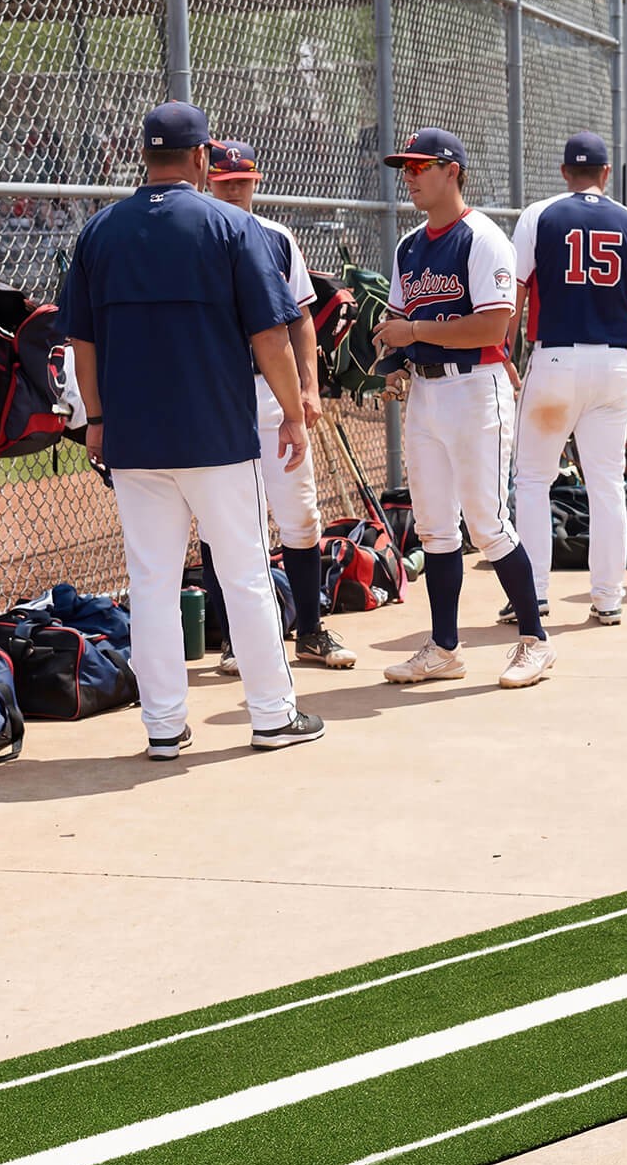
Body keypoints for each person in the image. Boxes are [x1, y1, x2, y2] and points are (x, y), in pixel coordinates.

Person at [59, 101, 322, 758]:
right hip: (217, 437)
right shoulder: (232, 225)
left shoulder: (100, 231)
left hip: (134, 440)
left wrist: (96, 419)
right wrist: (293, 414)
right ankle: (272, 716)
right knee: (244, 573)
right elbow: (271, 335)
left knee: (151, 583)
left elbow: (82, 342)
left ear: (145, 157)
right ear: (202, 157)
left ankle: (163, 726)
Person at [371, 127, 554, 687]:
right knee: (434, 529)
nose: (409, 177)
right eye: (405, 169)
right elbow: (398, 322)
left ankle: (535, 642)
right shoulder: (409, 246)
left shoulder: (483, 239)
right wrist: (393, 359)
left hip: (476, 388)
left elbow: (493, 325)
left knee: (487, 522)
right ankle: (445, 649)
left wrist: (412, 332)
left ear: (452, 170)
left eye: (419, 167)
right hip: (426, 393)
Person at [200, 138, 356, 672]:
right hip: (218, 395)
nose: (234, 191)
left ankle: (309, 631)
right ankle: (233, 640)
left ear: (255, 183)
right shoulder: (195, 237)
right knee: (220, 523)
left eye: (242, 182)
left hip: (272, 392)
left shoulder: (276, 237)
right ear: (208, 182)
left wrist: (308, 387)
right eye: (225, 183)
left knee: (300, 514)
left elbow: (300, 320)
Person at [509, 131, 627, 627]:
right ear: (606, 173)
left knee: (533, 480)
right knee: (607, 484)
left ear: (564, 172)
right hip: (614, 364)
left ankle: (533, 596)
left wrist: (504, 354)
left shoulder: (539, 215)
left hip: (555, 360)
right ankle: (608, 597)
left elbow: (514, 294)